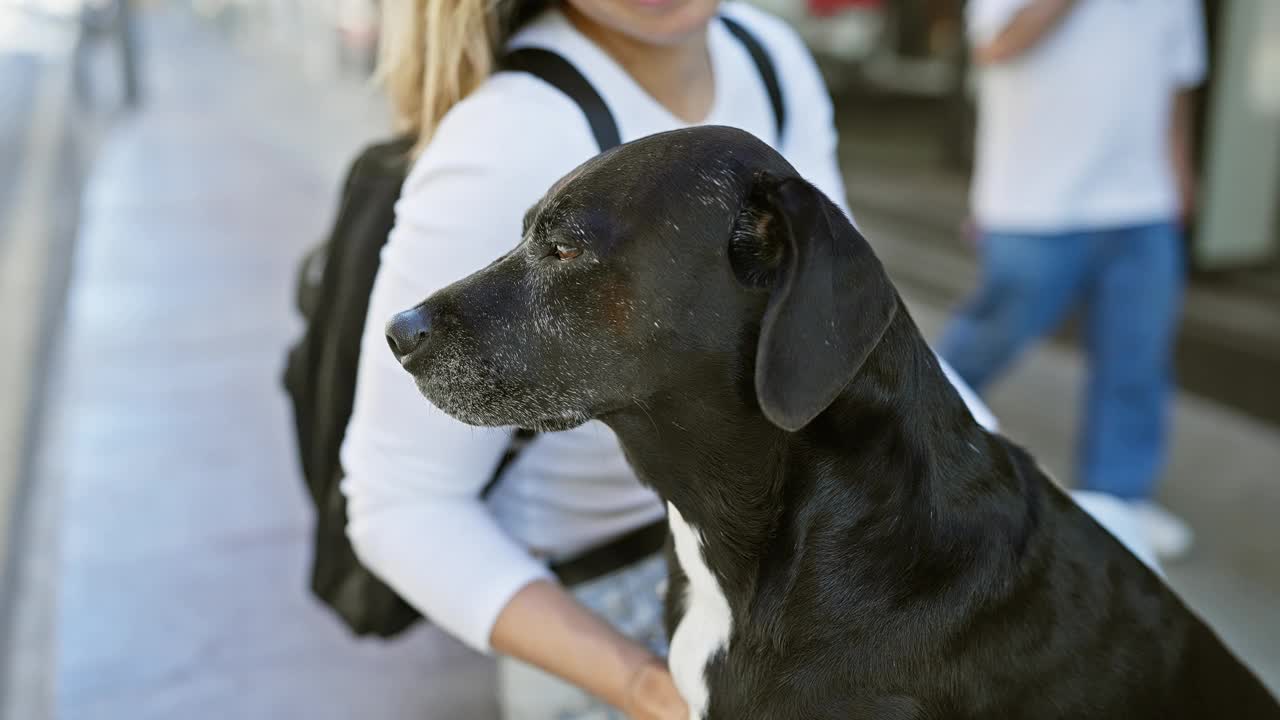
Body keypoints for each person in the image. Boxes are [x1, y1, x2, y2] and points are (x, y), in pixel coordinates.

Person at [340, 1, 998, 717]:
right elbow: (397, 503)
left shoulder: (769, 59)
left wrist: (1000, 484)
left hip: (821, 562)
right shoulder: (508, 133)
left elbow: (848, 323)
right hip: (609, 611)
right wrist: (652, 691)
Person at [939, 0, 1207, 560]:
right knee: (989, 339)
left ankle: (1119, 499)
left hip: (1144, 202)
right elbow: (995, 44)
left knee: (1137, 360)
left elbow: (1177, 83)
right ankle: (904, 451)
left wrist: (1179, 173)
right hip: (1035, 202)